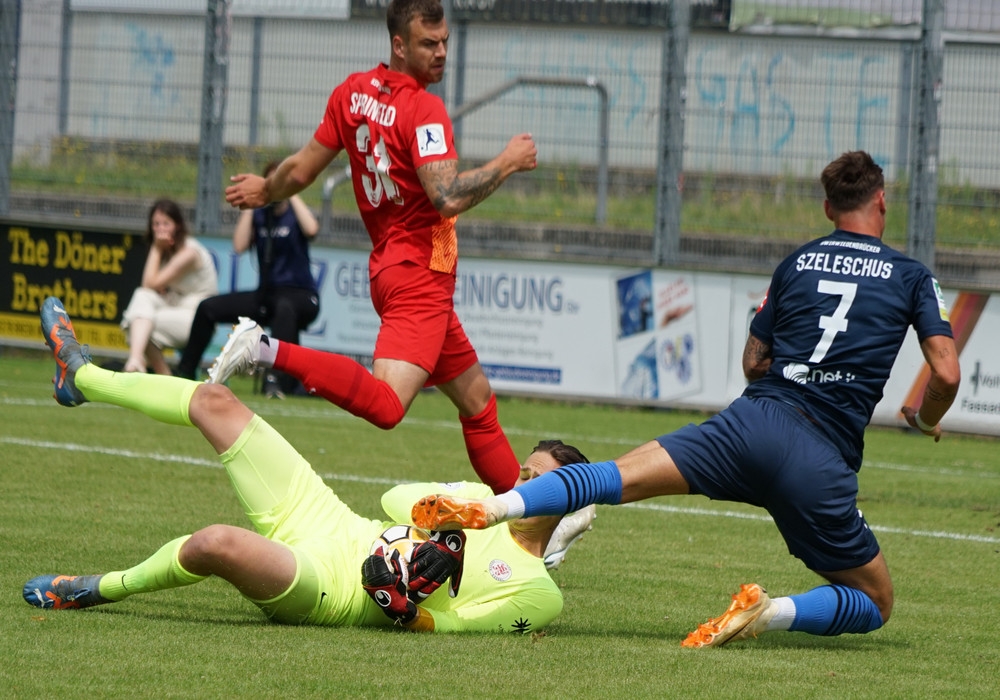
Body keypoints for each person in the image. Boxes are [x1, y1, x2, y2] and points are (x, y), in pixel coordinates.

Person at [410, 151, 962, 647]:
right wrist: (924, 416)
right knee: (875, 602)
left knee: (612, 475)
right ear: (882, 201)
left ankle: (494, 506)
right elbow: (947, 373)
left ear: (827, 207)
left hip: (750, 424)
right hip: (817, 461)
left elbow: (753, 360)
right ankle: (768, 613)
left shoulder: (798, 263)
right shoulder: (911, 276)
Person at [26, 296, 588, 634]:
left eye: (541, 482)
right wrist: (455, 517)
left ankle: (96, 588)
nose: (524, 482)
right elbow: (394, 501)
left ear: (568, 504)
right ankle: (81, 378)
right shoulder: (482, 499)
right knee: (214, 401)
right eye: (527, 472)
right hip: (333, 522)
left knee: (215, 544)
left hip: (337, 591)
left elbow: (457, 627)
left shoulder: (541, 592)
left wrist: (399, 606)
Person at [219, 0, 537, 499]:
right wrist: (509, 161)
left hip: (394, 266)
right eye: (428, 43)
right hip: (419, 271)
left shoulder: (352, 94)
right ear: (398, 44)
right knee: (388, 405)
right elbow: (448, 195)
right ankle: (264, 347)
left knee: (477, 403)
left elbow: (301, 169)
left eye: (445, 41)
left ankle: (533, 523)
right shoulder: (424, 108)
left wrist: (267, 188)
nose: (441, 53)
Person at [174, 161, 320, 398]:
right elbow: (239, 245)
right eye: (271, 183)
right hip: (267, 295)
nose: (276, 187)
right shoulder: (260, 215)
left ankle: (274, 380)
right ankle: (185, 373)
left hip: (301, 296)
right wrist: (254, 204)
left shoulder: (295, 212)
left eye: (280, 181)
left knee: (285, 309)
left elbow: (312, 229)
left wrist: (291, 193)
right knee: (207, 308)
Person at [119, 199, 218, 375]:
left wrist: (156, 248)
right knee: (141, 299)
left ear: (178, 226)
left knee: (136, 323)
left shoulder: (189, 252)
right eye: (156, 224)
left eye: (166, 223)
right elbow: (146, 290)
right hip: (174, 309)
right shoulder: (166, 251)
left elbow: (150, 283)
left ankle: (161, 373)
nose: (160, 229)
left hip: (198, 320)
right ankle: (136, 361)